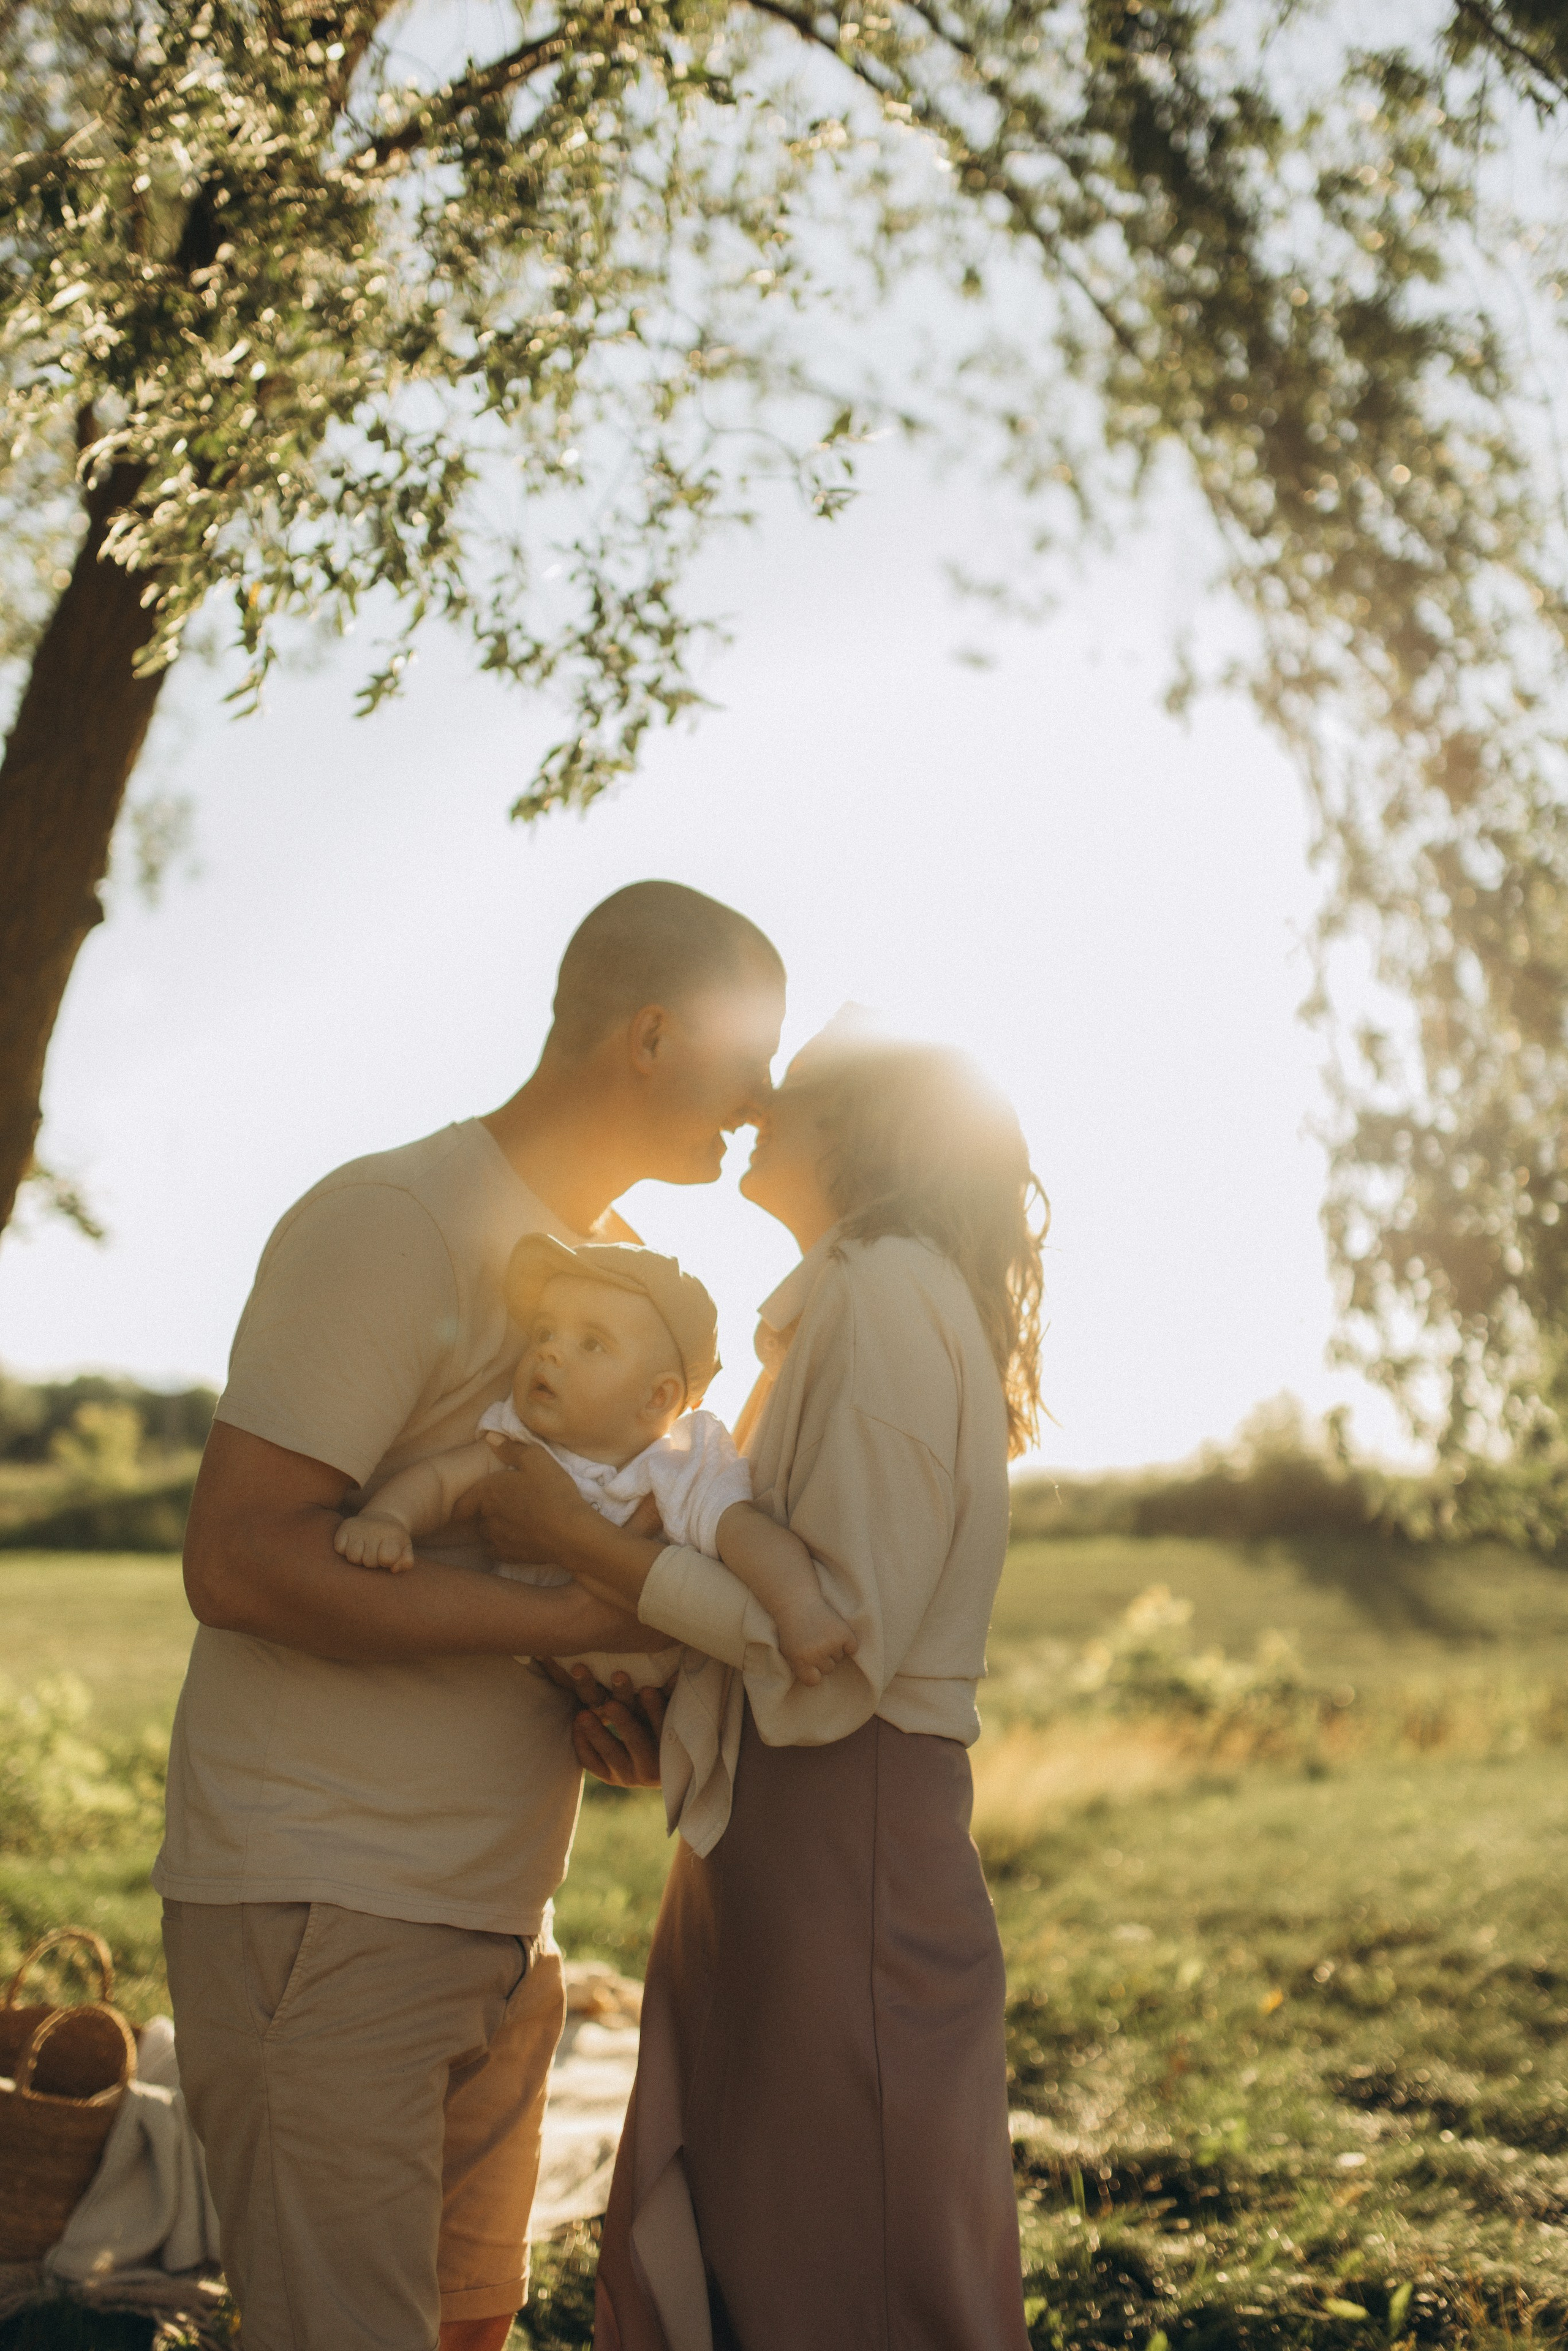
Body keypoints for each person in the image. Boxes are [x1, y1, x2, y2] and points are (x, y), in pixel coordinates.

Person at [154, 881, 786, 2351]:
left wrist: (599, 1693)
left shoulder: (614, 1273)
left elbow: (545, 1574)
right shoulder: (393, 1221)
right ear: (649, 1036)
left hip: (497, 1919)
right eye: (747, 1056)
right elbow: (240, 1561)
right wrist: (554, 1603)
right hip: (325, 1902)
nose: (763, 1101)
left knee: (463, 2330)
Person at [479, 1019, 1048, 2351]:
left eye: (783, 1096)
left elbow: (836, 1632)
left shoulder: (886, 1288)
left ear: (855, 1134)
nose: (751, 1109)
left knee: (835, 2251)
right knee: (754, 2223)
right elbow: (789, 1620)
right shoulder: (842, 1298)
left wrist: (578, 1546)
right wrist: (683, 1725)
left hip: (841, 1848)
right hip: (775, 1836)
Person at [335, 1234, 859, 1689]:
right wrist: (389, 1519)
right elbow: (439, 1482)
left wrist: (800, 1609)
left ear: (657, 1399)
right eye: (543, 1332)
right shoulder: (522, 1446)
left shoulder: (678, 1467)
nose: (549, 1353)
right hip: (557, 1679)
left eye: (592, 1343)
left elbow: (747, 1536)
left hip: (672, 1684)